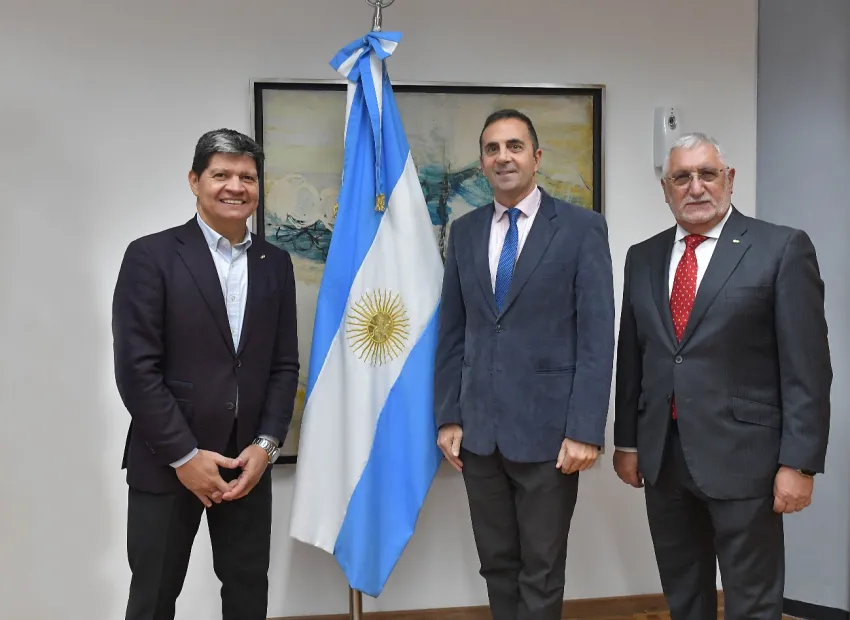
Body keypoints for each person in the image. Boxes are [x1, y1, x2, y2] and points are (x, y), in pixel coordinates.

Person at [613, 132, 831, 620]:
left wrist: (799, 463)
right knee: (684, 596)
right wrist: (627, 442)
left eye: (707, 174)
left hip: (746, 460)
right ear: (665, 188)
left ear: (729, 179)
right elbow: (634, 357)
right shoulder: (642, 257)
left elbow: (808, 369)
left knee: (752, 601)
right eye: (681, 177)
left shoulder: (780, 248)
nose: (695, 187)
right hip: (663, 459)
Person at [434, 109, 615, 620]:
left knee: (541, 567)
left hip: (550, 436)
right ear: (482, 162)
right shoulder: (464, 232)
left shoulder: (581, 229)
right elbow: (453, 329)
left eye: (514, 146)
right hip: (479, 435)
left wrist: (585, 430)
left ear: (536, 157)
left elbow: (597, 337)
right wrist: (449, 415)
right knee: (497, 564)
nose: (503, 157)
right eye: (492, 149)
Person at [112, 128, 300, 620]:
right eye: (222, 174)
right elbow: (137, 370)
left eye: (248, 177)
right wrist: (184, 455)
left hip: (246, 466)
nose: (236, 186)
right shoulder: (151, 256)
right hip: (168, 460)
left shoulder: (275, 264)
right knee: (153, 598)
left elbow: (284, 366)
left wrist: (266, 447)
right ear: (195, 181)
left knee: (246, 595)